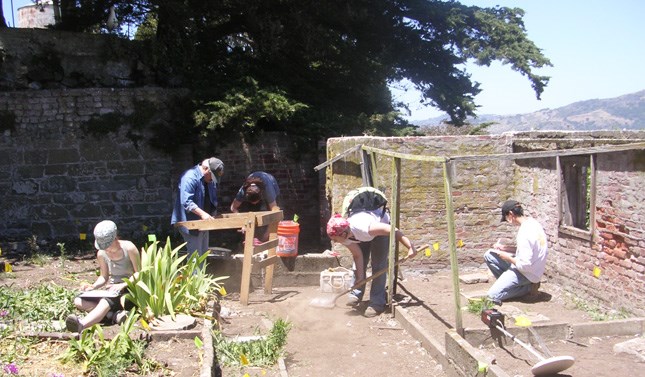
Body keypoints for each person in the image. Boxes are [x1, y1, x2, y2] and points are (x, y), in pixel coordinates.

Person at [326, 209, 417, 318]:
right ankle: (356, 293)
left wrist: (410, 247)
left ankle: (377, 303)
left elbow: (393, 230)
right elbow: (357, 255)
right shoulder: (343, 236)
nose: (335, 242)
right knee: (361, 260)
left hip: (380, 228)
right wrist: (360, 277)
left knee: (378, 265)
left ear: (344, 233)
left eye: (335, 239)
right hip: (360, 233)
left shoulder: (365, 228)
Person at [65, 220, 140, 332]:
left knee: (105, 302)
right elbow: (104, 277)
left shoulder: (129, 248)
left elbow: (139, 273)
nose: (106, 249)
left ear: (115, 238)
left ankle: (82, 325)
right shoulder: (101, 253)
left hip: (129, 290)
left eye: (108, 245)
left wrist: (123, 285)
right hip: (112, 290)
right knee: (78, 301)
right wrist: (93, 287)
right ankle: (113, 315)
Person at [484, 200, 548, 305]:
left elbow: (525, 265)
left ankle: (527, 288)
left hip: (527, 273)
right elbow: (527, 250)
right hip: (534, 269)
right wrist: (505, 248)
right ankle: (510, 285)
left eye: (506, 218)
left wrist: (507, 258)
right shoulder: (533, 223)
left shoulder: (524, 233)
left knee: (491, 296)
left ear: (511, 214)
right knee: (489, 256)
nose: (508, 222)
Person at [171, 157, 224, 257]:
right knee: (195, 257)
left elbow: (211, 198)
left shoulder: (209, 180)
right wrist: (203, 214)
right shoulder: (189, 177)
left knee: (203, 255)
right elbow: (186, 201)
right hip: (190, 223)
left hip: (203, 223)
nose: (213, 179)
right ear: (206, 169)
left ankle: (201, 273)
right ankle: (194, 273)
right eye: (212, 176)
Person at [230, 171, 280, 243]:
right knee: (250, 211)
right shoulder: (243, 190)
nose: (255, 204)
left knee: (268, 211)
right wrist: (243, 224)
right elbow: (233, 207)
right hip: (254, 186)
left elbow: (275, 212)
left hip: (271, 183)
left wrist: (267, 233)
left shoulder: (268, 192)